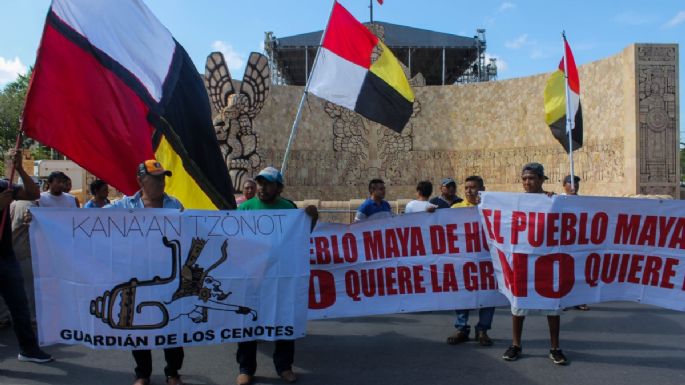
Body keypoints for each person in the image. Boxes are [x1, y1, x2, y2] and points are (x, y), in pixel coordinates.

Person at [236, 166, 317, 385]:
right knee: (248, 321)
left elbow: (301, 235)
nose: (262, 188)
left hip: (282, 276)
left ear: (278, 187)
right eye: (260, 183)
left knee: (283, 319)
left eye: (268, 184)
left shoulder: (289, 208)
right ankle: (246, 368)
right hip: (253, 276)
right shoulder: (245, 209)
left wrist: (312, 218)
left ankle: (284, 366)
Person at [108, 160, 184, 385]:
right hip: (136, 277)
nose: (161, 182)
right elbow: (85, 220)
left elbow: (188, 232)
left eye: (163, 177)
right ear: (141, 180)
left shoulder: (175, 205)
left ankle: (173, 372)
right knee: (138, 326)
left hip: (168, 276)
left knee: (172, 325)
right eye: (156, 178)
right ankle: (143, 373)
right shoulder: (123, 206)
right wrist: (44, 217)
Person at [502, 162, 567, 365]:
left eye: (531, 178)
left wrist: (562, 198)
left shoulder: (551, 200)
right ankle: (516, 344)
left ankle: (555, 347)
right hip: (523, 261)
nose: (527, 182)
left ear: (541, 180)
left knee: (552, 306)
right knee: (518, 306)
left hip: (547, 261)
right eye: (524, 178)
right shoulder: (516, 202)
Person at [0, 149, 53, 363]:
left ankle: (28, 349)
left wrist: (20, 169)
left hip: (6, 257)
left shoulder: (4, 186)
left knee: (19, 304)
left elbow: (34, 194)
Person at [447, 175, 494, 346]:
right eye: (466, 187)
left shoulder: (490, 207)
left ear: (482, 189)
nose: (469, 191)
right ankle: (461, 328)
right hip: (463, 261)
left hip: (487, 260)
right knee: (462, 294)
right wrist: (431, 213)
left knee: (489, 296)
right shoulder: (456, 208)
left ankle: (483, 330)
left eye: (473, 187)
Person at [561, 175, 590, 311]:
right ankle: (564, 300)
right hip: (563, 243)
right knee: (563, 273)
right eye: (571, 183)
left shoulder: (583, 201)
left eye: (577, 183)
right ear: (564, 185)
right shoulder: (558, 200)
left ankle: (580, 300)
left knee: (580, 273)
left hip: (579, 243)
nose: (575, 186)